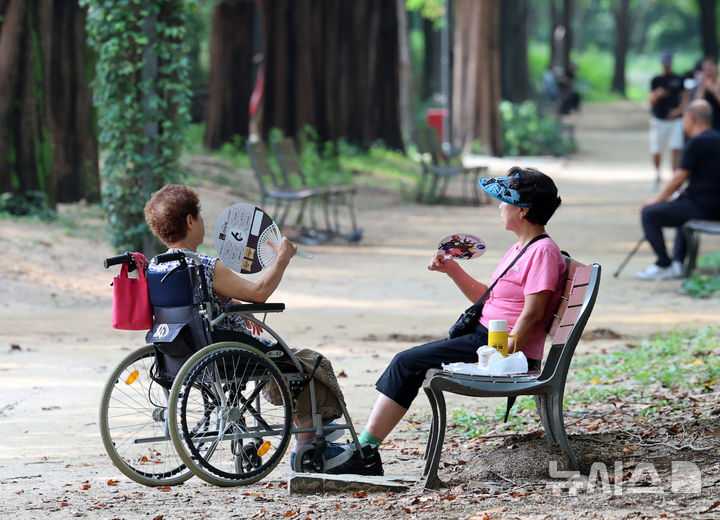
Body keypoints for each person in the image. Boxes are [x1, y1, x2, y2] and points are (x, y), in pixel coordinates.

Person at [328, 168, 567, 476]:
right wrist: (452, 269)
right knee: (410, 361)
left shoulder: (543, 252)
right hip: (488, 339)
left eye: (504, 201)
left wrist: (505, 349)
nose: (499, 207)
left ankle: (365, 453)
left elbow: (533, 312)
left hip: (501, 348)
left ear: (523, 210)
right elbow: (489, 299)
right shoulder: (521, 248)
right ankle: (365, 449)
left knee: (407, 362)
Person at [143, 184, 358, 472]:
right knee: (308, 362)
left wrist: (231, 305)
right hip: (228, 352)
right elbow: (258, 293)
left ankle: (309, 431)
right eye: (200, 216)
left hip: (182, 352)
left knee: (291, 359)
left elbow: (194, 303)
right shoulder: (204, 265)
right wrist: (282, 258)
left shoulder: (157, 267)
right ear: (190, 221)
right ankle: (308, 440)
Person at [637, 99, 720, 280]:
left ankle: (663, 263)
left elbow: (679, 178)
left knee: (649, 214)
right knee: (681, 209)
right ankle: (677, 264)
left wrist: (657, 200)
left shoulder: (696, 143)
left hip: (703, 207)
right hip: (713, 206)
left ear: (690, 118)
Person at [649, 51, 685, 191]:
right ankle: (657, 174)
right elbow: (650, 100)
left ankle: (675, 177)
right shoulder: (656, 80)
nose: (666, 66)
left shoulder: (678, 79)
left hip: (675, 120)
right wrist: (658, 94)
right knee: (657, 149)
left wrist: (678, 111)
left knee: (676, 148)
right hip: (659, 119)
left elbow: (685, 97)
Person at [693, 57, 720, 130]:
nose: (708, 72)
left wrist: (713, 91)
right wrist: (702, 86)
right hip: (707, 124)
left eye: (710, 69)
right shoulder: (703, 85)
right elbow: (696, 104)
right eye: (706, 69)